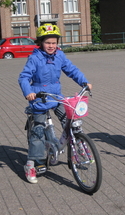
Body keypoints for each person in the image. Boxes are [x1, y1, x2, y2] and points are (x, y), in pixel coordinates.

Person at [18, 23, 92, 183]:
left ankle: (71, 147)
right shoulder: (35, 58)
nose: (51, 46)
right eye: (47, 42)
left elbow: (71, 69)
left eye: (54, 42)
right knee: (37, 133)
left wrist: (84, 82)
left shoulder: (60, 56)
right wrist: (28, 92)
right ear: (41, 42)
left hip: (56, 97)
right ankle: (31, 164)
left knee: (71, 120)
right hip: (39, 99)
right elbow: (24, 77)